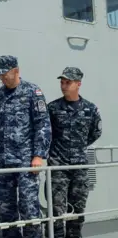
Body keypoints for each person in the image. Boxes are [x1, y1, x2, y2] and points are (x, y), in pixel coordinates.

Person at [0, 55, 51, 238]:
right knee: (6, 213)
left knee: (29, 209)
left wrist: (38, 155)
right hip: (2, 163)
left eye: (5, 74)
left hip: (26, 163)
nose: (2, 77)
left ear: (16, 71)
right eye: (0, 74)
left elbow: (43, 125)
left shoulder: (32, 92)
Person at [45, 67, 102, 238]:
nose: (63, 86)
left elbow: (95, 132)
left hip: (80, 167)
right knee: (56, 211)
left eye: (67, 82)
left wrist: (77, 147)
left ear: (78, 84)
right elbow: (46, 133)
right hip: (57, 168)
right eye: (62, 82)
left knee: (77, 211)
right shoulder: (53, 108)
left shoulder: (90, 109)